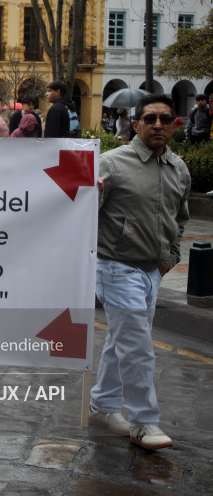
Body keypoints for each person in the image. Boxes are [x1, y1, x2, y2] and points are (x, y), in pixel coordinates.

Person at [90, 94, 190, 451]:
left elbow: (180, 217)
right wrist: (92, 194)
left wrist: (170, 257)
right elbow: (82, 213)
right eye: (150, 119)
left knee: (123, 341)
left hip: (153, 270)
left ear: (175, 124)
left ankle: (102, 405)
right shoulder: (111, 163)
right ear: (136, 124)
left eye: (165, 119)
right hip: (116, 267)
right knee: (138, 346)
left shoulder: (178, 167)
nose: (158, 125)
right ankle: (144, 422)